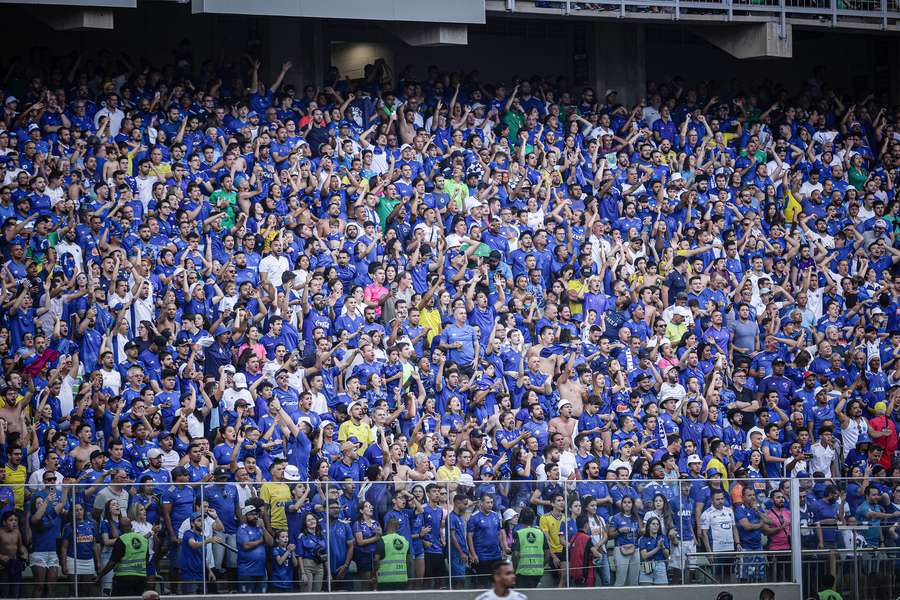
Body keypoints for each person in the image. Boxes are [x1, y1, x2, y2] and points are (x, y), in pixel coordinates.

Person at [94, 517, 150, 597]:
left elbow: (112, 563)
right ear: (131, 525)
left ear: (120, 528)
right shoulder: (143, 539)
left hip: (123, 579)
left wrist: (100, 576)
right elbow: (146, 560)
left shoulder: (121, 540)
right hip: (141, 578)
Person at [511, 507, 547, 589]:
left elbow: (515, 555)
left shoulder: (518, 533)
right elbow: (547, 554)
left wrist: (515, 570)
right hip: (538, 572)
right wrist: (540, 566)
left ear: (521, 518)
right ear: (534, 519)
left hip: (522, 573)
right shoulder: (540, 533)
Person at [374, 517, 409, 591]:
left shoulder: (383, 540)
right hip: (402, 579)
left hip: (385, 580)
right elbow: (409, 561)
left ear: (386, 526)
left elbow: (376, 560)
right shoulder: (404, 540)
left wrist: (374, 574)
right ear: (397, 527)